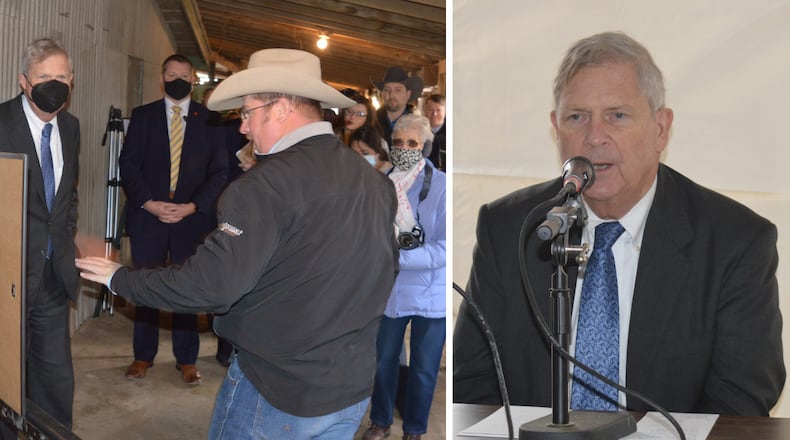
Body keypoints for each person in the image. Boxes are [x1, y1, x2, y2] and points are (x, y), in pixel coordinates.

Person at [453, 31, 785, 416]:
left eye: (617, 116)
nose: (594, 137)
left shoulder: (735, 242)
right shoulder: (510, 227)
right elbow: (471, 381)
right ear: (555, 127)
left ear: (661, 128)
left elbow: (742, 401)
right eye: (576, 117)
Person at [76, 48, 399, 439]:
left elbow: (208, 288)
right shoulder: (375, 183)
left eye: (247, 113)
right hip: (348, 391)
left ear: (279, 109)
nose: (242, 128)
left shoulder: (260, 187)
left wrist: (118, 278)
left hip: (275, 391)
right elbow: (383, 272)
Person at [118, 54, 227, 385]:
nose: (177, 79)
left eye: (184, 75)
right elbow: (129, 165)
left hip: (190, 220)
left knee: (187, 289)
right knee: (146, 285)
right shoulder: (143, 116)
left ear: (193, 80)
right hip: (148, 217)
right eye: (171, 74)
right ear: (161, 78)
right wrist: (149, 203)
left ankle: (187, 359)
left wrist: (193, 207)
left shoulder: (210, 120)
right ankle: (142, 355)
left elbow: (219, 171)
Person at [0, 37, 79, 433]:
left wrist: (65, 242)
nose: (54, 84)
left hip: (52, 278)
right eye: (45, 76)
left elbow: (68, 197)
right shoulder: (0, 123)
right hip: (6, 280)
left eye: (61, 76)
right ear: (23, 82)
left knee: (55, 381)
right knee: (6, 381)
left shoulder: (72, 126)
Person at [364, 114, 446, 440]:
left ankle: (414, 430)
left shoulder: (441, 185)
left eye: (412, 143)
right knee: (383, 361)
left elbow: (443, 248)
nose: (404, 149)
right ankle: (380, 422)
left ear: (425, 146)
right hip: (391, 290)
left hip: (430, 291)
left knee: (424, 370)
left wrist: (398, 257)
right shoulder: (381, 182)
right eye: (398, 143)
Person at [372, 66, 423, 148]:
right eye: (387, 90)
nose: (391, 94)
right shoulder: (371, 122)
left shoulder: (420, 125)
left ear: (408, 94)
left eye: (398, 90)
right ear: (382, 94)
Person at [423, 94, 446, 171]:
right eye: (430, 110)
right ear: (424, 111)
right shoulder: (418, 132)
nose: (434, 114)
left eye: (438, 110)